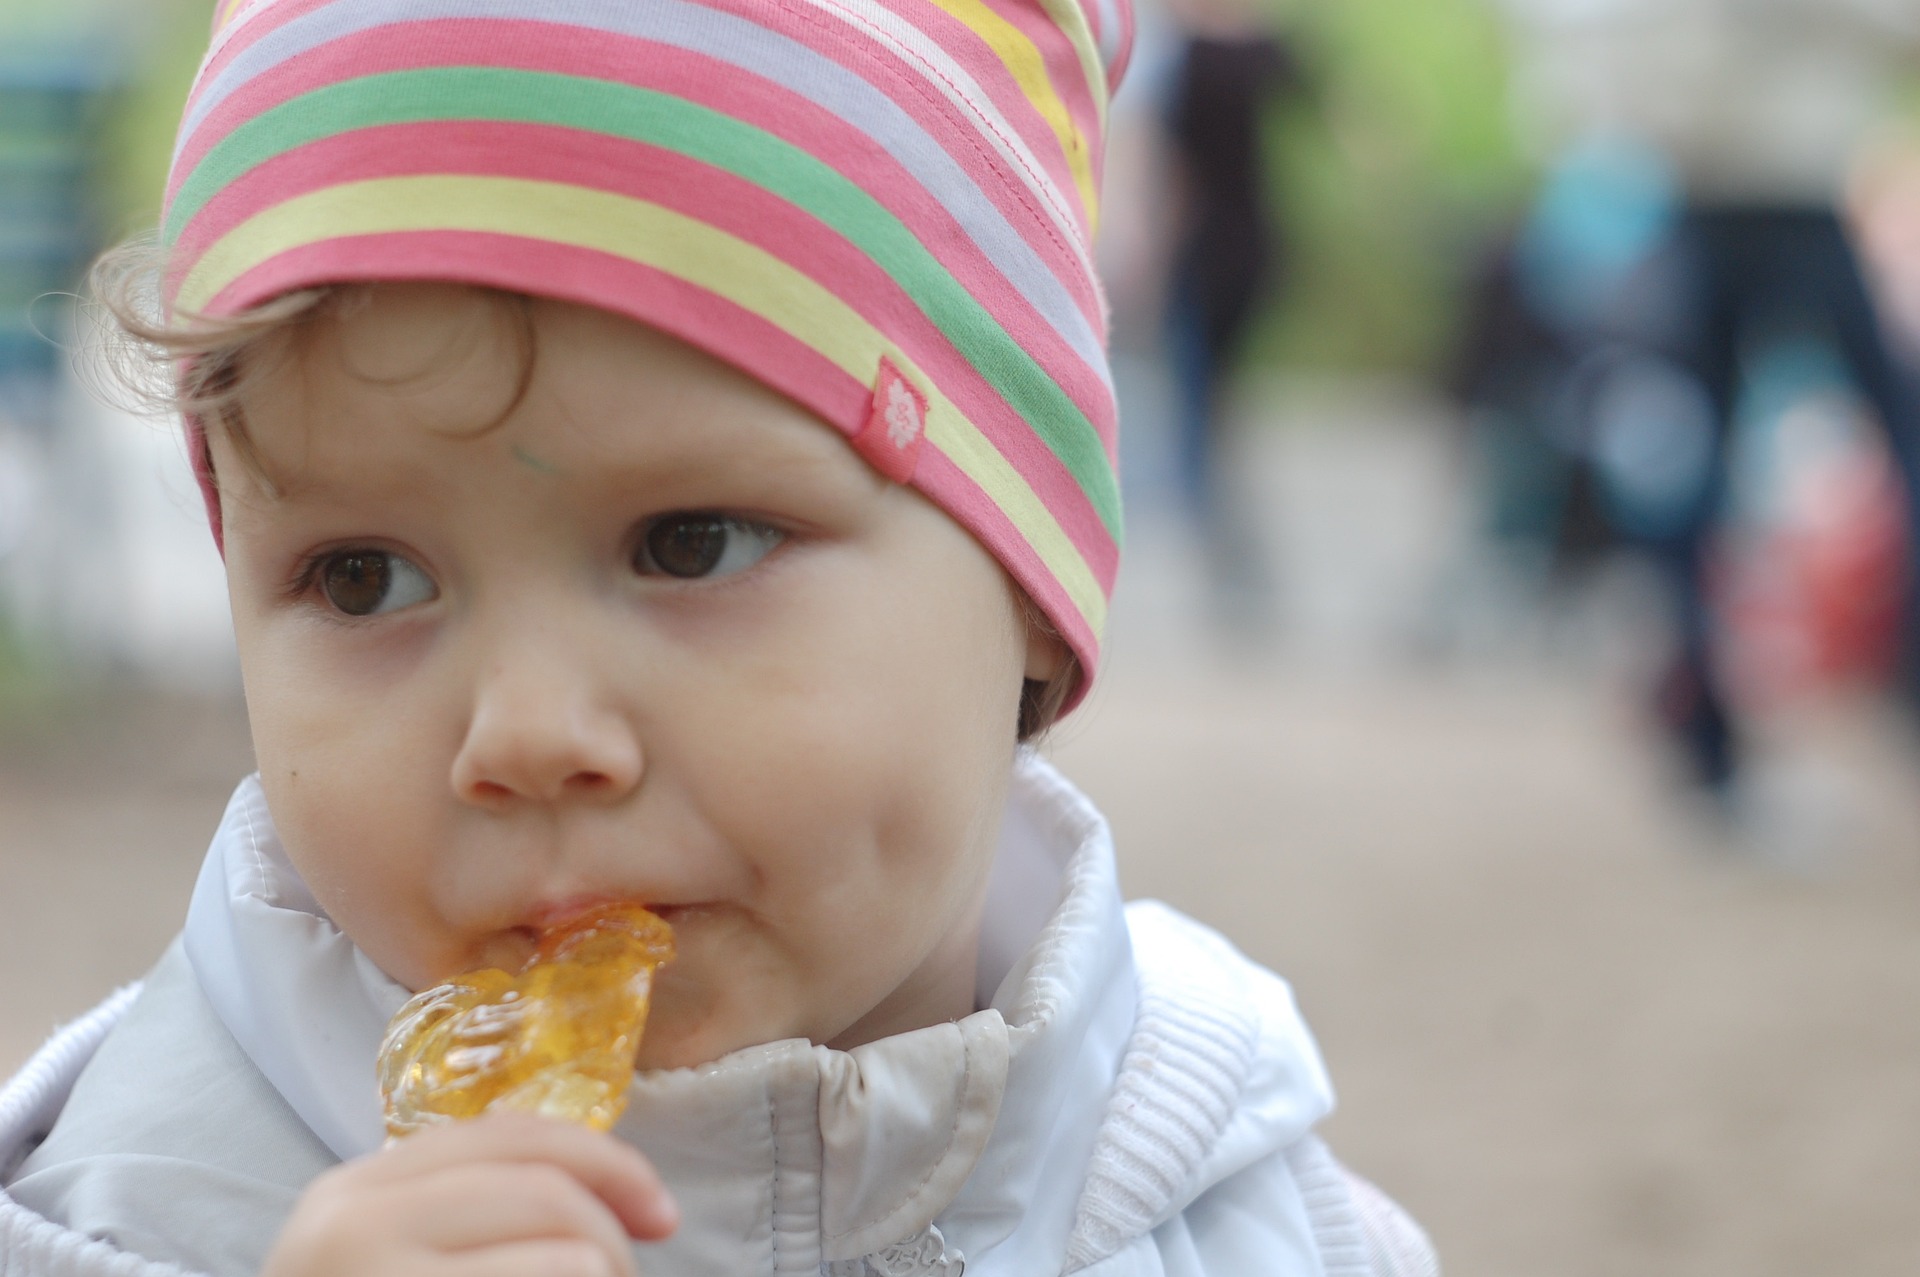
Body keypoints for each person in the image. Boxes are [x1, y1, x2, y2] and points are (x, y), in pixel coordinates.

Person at [0, 2, 1437, 1275]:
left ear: (1030, 589)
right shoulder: (137, 1211)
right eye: (364, 577)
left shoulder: (1249, 1209)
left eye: (692, 542)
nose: (528, 731)